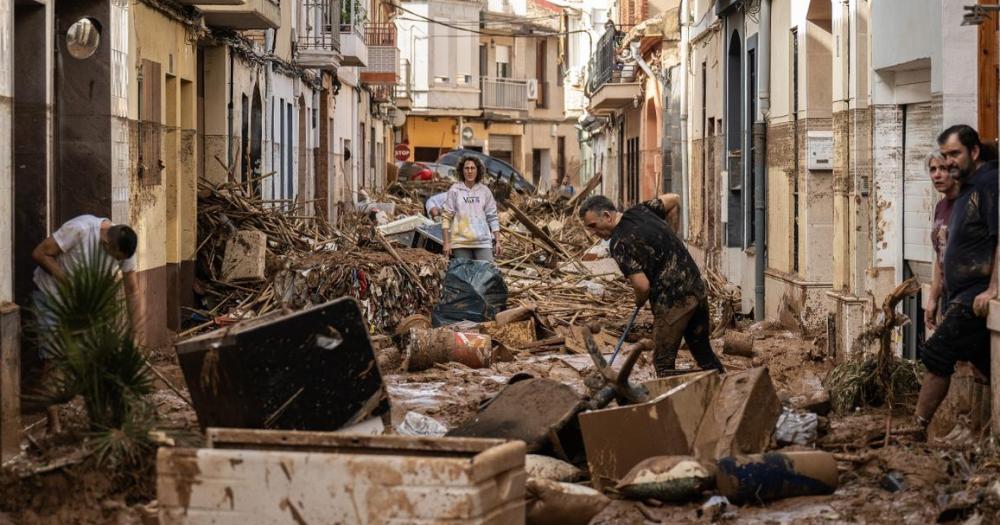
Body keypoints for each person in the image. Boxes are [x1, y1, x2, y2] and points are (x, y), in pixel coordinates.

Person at [579, 194, 725, 376]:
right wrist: (670, 238)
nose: (593, 232)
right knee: (703, 353)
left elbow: (642, 286)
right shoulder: (641, 210)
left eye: (593, 226)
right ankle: (727, 391)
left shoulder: (619, 244)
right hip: (696, 288)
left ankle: (675, 403)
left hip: (673, 302)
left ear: (607, 216)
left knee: (663, 365)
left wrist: (639, 300)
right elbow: (674, 199)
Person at [915, 125, 998, 431]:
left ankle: (918, 425)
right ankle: (982, 433)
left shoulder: (989, 182)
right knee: (986, 367)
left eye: (954, 155)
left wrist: (993, 288)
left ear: (973, 152)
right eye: (942, 158)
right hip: (961, 295)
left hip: (975, 295)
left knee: (938, 353)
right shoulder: (967, 190)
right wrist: (936, 297)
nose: (947, 164)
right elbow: (943, 257)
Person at [31, 214, 140, 432]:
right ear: (106, 243)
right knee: (53, 360)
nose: (117, 262)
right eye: (114, 256)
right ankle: (53, 424)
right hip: (52, 297)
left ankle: (97, 421)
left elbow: (132, 290)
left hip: (85, 305)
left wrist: (135, 334)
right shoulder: (80, 229)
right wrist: (70, 284)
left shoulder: (125, 251)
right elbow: (39, 253)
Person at [924, 150, 960, 332]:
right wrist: (932, 298)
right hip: (947, 295)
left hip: (966, 295)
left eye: (943, 168)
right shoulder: (940, 207)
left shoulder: (968, 203)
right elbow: (940, 257)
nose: (936, 175)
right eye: (932, 169)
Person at [442, 156, 501, 262]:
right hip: (460, 242)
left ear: (478, 170)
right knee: (464, 276)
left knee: (487, 274)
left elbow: (492, 216)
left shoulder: (484, 191)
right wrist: (446, 243)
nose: (469, 171)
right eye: (466, 168)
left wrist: (498, 241)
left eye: (472, 168)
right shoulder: (455, 190)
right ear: (462, 171)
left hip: (482, 242)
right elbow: (446, 217)